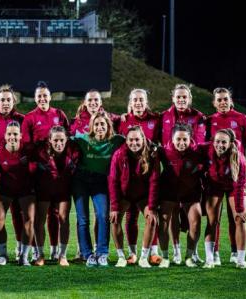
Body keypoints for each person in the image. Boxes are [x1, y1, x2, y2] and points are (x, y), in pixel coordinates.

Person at [207, 87, 246, 265]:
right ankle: (215, 253)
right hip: (215, 176)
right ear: (214, 103)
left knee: (234, 216)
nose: (222, 102)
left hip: (236, 174)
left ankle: (235, 252)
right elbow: (205, 146)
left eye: (225, 99)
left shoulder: (242, 118)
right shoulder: (210, 120)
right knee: (214, 218)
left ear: (231, 100)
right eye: (219, 100)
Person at [21, 81, 69, 261]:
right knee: (42, 214)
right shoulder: (30, 118)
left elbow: (67, 138)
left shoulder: (59, 114)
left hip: (61, 172)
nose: (42, 98)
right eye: (39, 96)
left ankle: (57, 251)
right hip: (40, 173)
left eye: (45, 95)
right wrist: (40, 157)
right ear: (35, 98)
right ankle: (38, 253)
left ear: (50, 96)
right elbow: (26, 145)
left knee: (58, 215)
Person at [70, 111, 125, 267]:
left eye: (103, 124)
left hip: (100, 181)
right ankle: (87, 255)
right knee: (83, 219)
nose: (100, 127)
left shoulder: (117, 140)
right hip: (80, 180)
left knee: (102, 215)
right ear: (91, 126)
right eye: (97, 124)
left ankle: (102, 253)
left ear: (108, 125)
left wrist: (156, 150)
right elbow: (61, 140)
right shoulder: (83, 139)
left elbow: (139, 141)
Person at [159, 84, 206, 264]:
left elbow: (209, 146)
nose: (181, 100)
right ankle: (174, 252)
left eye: (184, 97)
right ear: (173, 98)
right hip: (170, 181)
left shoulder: (199, 118)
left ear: (189, 98)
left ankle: (190, 254)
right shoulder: (163, 117)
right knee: (169, 218)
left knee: (196, 219)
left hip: (190, 181)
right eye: (178, 97)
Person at [118, 88, 162, 264]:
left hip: (149, 176)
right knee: (131, 215)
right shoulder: (122, 121)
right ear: (130, 102)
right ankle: (132, 252)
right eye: (135, 100)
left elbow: (161, 144)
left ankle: (153, 251)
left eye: (141, 100)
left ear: (146, 102)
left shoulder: (156, 120)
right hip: (129, 178)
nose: (138, 102)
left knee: (153, 213)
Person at [108, 126, 160, 268]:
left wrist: (153, 207)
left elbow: (154, 181)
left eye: (137, 139)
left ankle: (144, 257)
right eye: (130, 140)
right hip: (125, 195)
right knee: (114, 219)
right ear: (126, 140)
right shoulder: (119, 155)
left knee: (152, 219)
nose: (134, 143)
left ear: (143, 139)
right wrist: (114, 207)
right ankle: (121, 257)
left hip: (143, 196)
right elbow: (113, 180)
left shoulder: (151, 154)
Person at [0, 84, 25, 259]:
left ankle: (19, 249)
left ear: (14, 101)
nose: (6, 103)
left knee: (19, 215)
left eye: (9, 99)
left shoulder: (23, 120)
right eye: (3, 99)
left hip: (18, 176)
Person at [201, 128, 246, 269]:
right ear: (212, 142)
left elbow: (240, 185)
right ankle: (210, 259)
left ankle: (241, 260)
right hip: (214, 187)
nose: (220, 145)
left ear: (230, 143)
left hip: (234, 188)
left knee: (239, 220)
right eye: (217, 141)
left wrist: (240, 209)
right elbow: (192, 147)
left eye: (224, 142)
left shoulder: (238, 158)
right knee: (212, 221)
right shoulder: (207, 149)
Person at [0, 121, 36, 266]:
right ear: (5, 136)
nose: (12, 137)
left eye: (15, 134)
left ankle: (24, 256)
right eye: (9, 134)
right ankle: (3, 254)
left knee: (29, 219)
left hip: (25, 188)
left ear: (21, 136)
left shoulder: (28, 150)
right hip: (5, 189)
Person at [32, 126, 77, 267]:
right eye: (55, 140)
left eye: (62, 140)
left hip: (63, 191)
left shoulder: (72, 152)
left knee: (64, 219)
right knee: (40, 221)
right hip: (44, 191)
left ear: (66, 140)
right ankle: (40, 255)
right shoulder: (41, 152)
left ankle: (62, 255)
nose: (59, 143)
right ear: (49, 140)